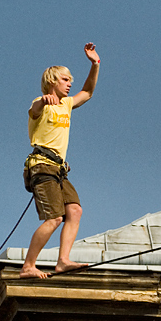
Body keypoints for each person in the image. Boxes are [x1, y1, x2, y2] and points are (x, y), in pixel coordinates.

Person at [20, 43, 100, 279]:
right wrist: (43, 101)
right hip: (41, 165)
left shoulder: (66, 104)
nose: (69, 83)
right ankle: (28, 266)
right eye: (65, 79)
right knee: (55, 217)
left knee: (74, 210)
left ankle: (63, 261)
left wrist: (95, 64)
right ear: (52, 81)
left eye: (70, 80)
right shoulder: (41, 104)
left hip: (59, 169)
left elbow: (87, 92)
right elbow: (33, 110)